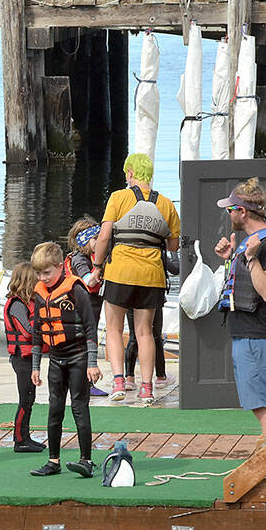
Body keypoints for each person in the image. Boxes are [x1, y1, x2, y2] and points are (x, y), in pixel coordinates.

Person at [214, 177, 266, 476]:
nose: (228, 215)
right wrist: (230, 258)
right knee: (262, 406)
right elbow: (243, 284)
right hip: (247, 337)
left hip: (257, 339)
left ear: (242, 212)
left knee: (265, 408)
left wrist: (249, 258)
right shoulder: (251, 243)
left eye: (230, 210)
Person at [90, 154, 181, 404]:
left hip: (120, 272)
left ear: (130, 173)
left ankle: (119, 382)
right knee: (145, 332)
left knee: (114, 329)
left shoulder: (118, 198)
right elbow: (173, 243)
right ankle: (147, 388)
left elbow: (105, 236)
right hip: (151, 275)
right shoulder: (166, 203)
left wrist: (97, 266)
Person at [29, 242, 101, 478]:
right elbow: (38, 332)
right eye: (39, 273)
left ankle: (86, 460)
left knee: (79, 408)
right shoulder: (39, 293)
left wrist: (92, 363)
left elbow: (90, 326)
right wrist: (35, 366)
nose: (43, 277)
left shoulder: (75, 289)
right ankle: (53, 460)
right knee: (54, 410)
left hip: (78, 357)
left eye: (47, 272)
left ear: (61, 267)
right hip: (56, 360)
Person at [2, 261, 46, 452]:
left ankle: (26, 436)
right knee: (25, 398)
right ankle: (20, 439)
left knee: (30, 397)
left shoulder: (31, 302)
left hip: (29, 358)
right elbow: (28, 332)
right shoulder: (17, 305)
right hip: (21, 358)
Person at [64, 217, 108, 398]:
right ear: (84, 241)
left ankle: (84, 383)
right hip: (81, 312)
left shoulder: (92, 257)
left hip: (93, 310)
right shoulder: (79, 259)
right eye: (95, 239)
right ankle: (85, 384)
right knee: (84, 345)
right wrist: (99, 271)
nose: (99, 243)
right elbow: (87, 279)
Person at [125, 248, 180, 387]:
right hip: (152, 295)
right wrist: (173, 251)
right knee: (155, 336)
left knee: (134, 336)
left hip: (131, 294)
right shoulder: (156, 251)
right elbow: (175, 269)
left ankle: (129, 379)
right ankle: (160, 377)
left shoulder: (127, 251)